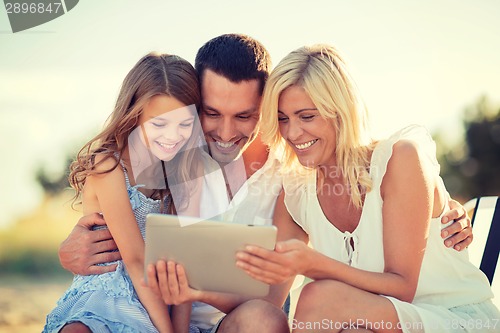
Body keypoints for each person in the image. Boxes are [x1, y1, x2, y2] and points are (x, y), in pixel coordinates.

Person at [58, 34, 474, 333]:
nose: (224, 132)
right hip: (156, 319)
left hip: (236, 324)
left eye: (245, 116)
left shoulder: (293, 173)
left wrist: (447, 207)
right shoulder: (172, 155)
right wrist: (71, 247)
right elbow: (119, 208)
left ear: (267, 106)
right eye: (211, 113)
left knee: (269, 317)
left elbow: (378, 172)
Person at [236, 44, 500, 332]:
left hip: (450, 318)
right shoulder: (297, 188)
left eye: (307, 116)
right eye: (283, 119)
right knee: (263, 316)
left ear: (341, 111)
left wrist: (313, 264)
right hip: (366, 323)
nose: (292, 133)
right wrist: (195, 293)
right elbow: (269, 300)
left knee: (321, 297)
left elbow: (402, 288)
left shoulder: (400, 160)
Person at [44, 52, 205, 333]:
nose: (172, 136)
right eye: (159, 124)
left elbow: (183, 263)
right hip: (108, 294)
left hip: (159, 302)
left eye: (184, 124)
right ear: (134, 114)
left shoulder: (186, 174)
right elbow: (134, 259)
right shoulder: (109, 165)